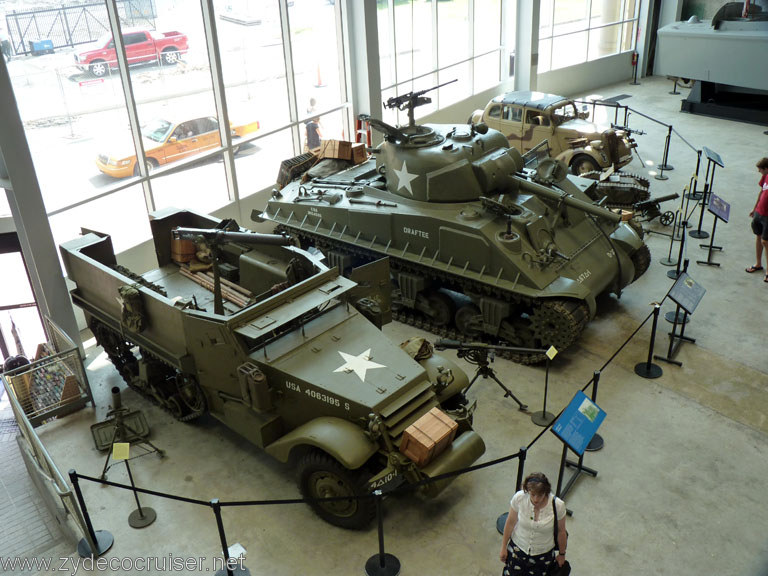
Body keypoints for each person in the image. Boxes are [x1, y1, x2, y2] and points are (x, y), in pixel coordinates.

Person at [500, 472, 567, 576]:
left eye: (540, 495)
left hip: (543, 554)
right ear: (528, 490)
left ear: (546, 492)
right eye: (533, 494)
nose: (536, 499)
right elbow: (510, 523)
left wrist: (562, 554)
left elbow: (561, 532)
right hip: (518, 549)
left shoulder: (558, 505)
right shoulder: (519, 498)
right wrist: (503, 547)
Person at [746, 157, 768, 281]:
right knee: (758, 236)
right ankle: (758, 263)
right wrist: (754, 208)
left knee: (766, 241)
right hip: (759, 212)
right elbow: (761, 192)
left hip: (767, 216)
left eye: (760, 170)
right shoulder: (765, 177)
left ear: (766, 169)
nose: (759, 172)